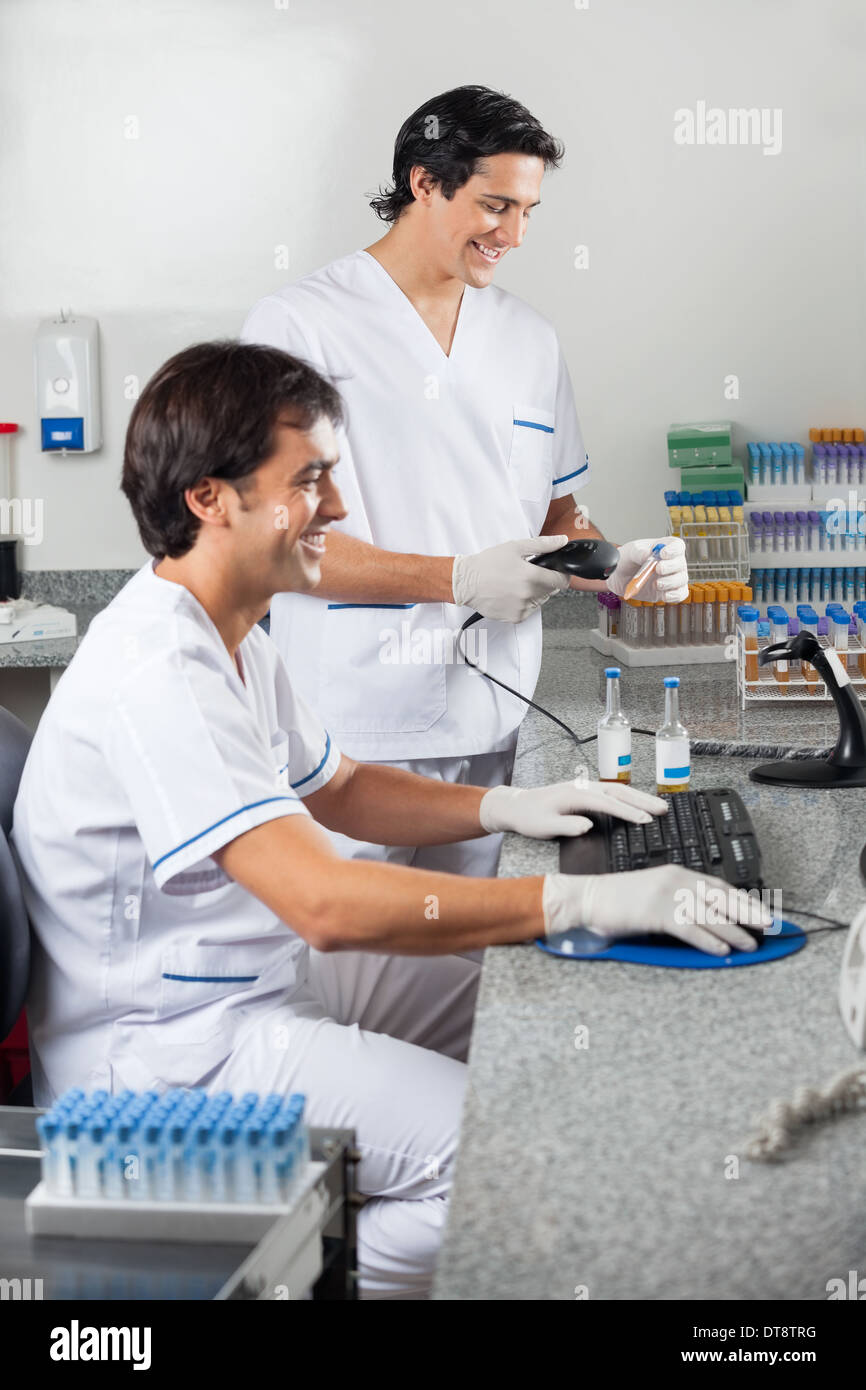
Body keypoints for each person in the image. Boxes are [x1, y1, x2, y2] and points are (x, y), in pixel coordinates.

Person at [12, 343, 764, 1299]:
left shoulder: (226, 627)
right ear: (210, 497)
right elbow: (324, 901)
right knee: (495, 1159)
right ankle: (298, 1279)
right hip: (169, 1061)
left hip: (255, 980)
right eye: (311, 479)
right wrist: (578, 901)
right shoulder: (157, 673)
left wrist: (509, 804)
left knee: (532, 1015)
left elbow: (341, 785)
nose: (337, 507)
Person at [241, 83, 688, 876]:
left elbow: (559, 511)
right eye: (495, 206)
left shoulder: (528, 339)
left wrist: (618, 565)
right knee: (354, 974)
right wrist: (457, 579)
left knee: (478, 982)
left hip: (504, 721)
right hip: (355, 734)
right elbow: (272, 543)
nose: (514, 233)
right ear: (423, 181)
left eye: (528, 212)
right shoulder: (300, 326)